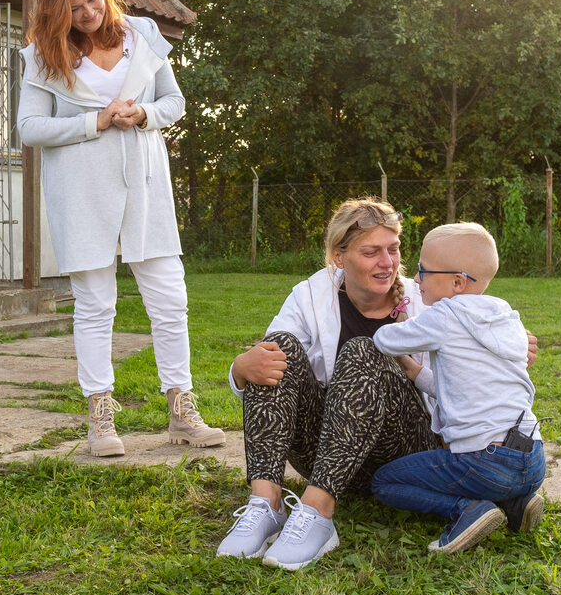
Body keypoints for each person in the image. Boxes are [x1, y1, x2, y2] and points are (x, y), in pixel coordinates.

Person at [216, 198, 538, 571]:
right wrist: (240, 368)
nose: (387, 262)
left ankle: (318, 512)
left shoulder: (432, 294)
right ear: (340, 257)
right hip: (326, 454)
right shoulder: (310, 295)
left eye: (394, 249)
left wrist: (513, 344)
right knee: (276, 349)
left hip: (406, 449)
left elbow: (482, 332)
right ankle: (266, 505)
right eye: (371, 252)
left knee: (363, 350)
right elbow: (271, 370)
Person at [17, 0, 224, 457]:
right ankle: (101, 416)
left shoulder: (143, 37)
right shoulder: (44, 57)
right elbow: (29, 129)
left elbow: (173, 104)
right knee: (95, 305)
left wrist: (144, 114)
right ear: (57, 13)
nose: (89, 14)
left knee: (170, 299)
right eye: (75, 10)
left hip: (146, 187)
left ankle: (181, 408)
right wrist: (96, 122)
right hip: (82, 192)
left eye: (93, 0)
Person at [370, 222, 545, 553]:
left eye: (422, 270)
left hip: (484, 461)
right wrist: (414, 370)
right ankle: (517, 503)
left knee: (384, 481)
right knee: (504, 474)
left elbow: (385, 340)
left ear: (457, 282)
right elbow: (461, 387)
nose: (416, 279)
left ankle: (467, 510)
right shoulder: (506, 316)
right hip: (533, 458)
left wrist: (388, 324)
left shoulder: (447, 313)